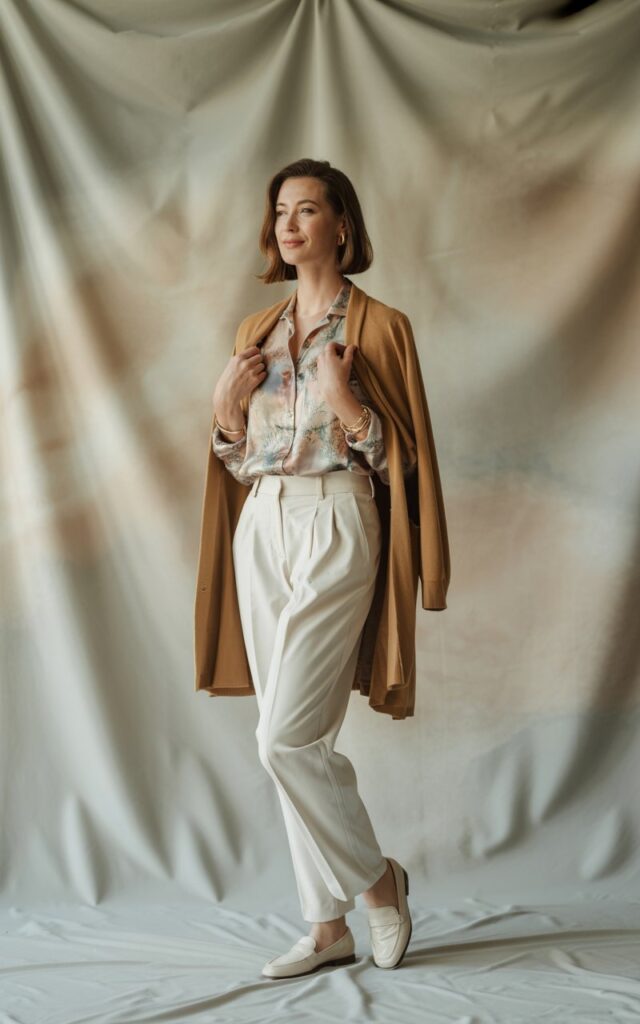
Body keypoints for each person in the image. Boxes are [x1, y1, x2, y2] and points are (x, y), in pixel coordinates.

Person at [204, 157, 449, 979]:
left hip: (341, 515)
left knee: (285, 739)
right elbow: (240, 461)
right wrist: (226, 415)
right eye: (281, 210)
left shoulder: (381, 327)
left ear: (343, 225)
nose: (290, 222)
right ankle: (325, 925)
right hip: (263, 522)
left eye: (309, 209)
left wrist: (351, 408)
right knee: (290, 730)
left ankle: (380, 884)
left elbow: (401, 465)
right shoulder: (257, 333)